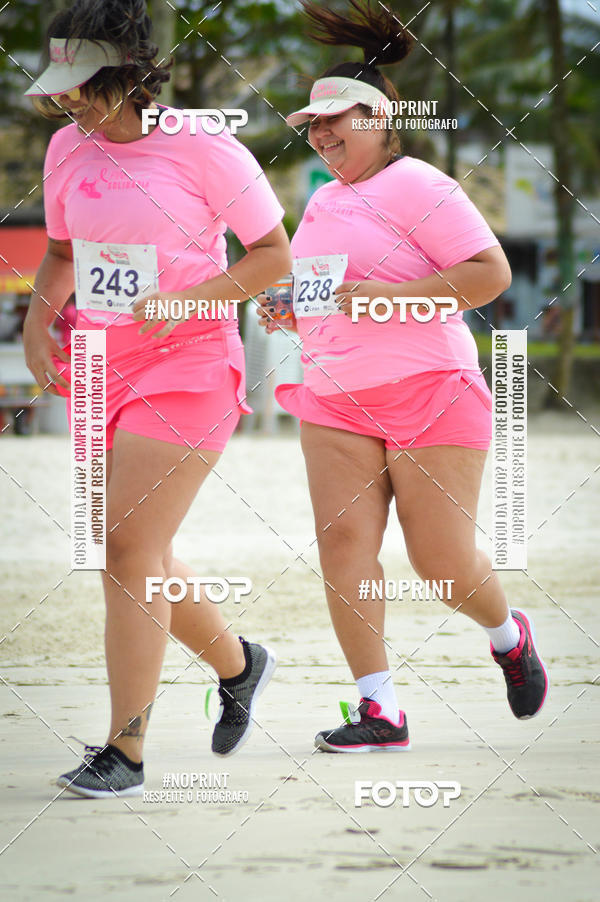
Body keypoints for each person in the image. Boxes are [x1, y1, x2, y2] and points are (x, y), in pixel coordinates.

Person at [258, 0, 548, 752]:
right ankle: (379, 709)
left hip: (431, 392)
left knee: (440, 565)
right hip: (333, 397)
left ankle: (508, 634)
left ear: (380, 118)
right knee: (343, 547)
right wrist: (288, 309)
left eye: (335, 121)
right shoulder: (320, 201)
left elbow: (489, 275)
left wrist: (383, 296)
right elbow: (325, 295)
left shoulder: (420, 183)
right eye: (313, 126)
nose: (322, 135)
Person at [23, 0, 291, 796]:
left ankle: (126, 752)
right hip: (100, 365)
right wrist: (39, 320)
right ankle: (241, 665)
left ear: (128, 72)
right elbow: (62, 253)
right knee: (140, 549)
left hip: (191, 362)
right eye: (59, 83)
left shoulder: (204, 146)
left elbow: (273, 257)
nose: (67, 99)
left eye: (82, 82)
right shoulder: (65, 148)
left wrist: (189, 300)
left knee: (125, 546)